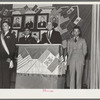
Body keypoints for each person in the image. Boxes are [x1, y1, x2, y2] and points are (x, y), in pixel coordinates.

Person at [0, 21, 16, 88]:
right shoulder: (1, 35)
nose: (4, 27)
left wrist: (10, 58)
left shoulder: (12, 36)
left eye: (6, 25)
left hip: (7, 59)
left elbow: (12, 49)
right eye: (3, 25)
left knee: (6, 78)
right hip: (0, 59)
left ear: (9, 27)